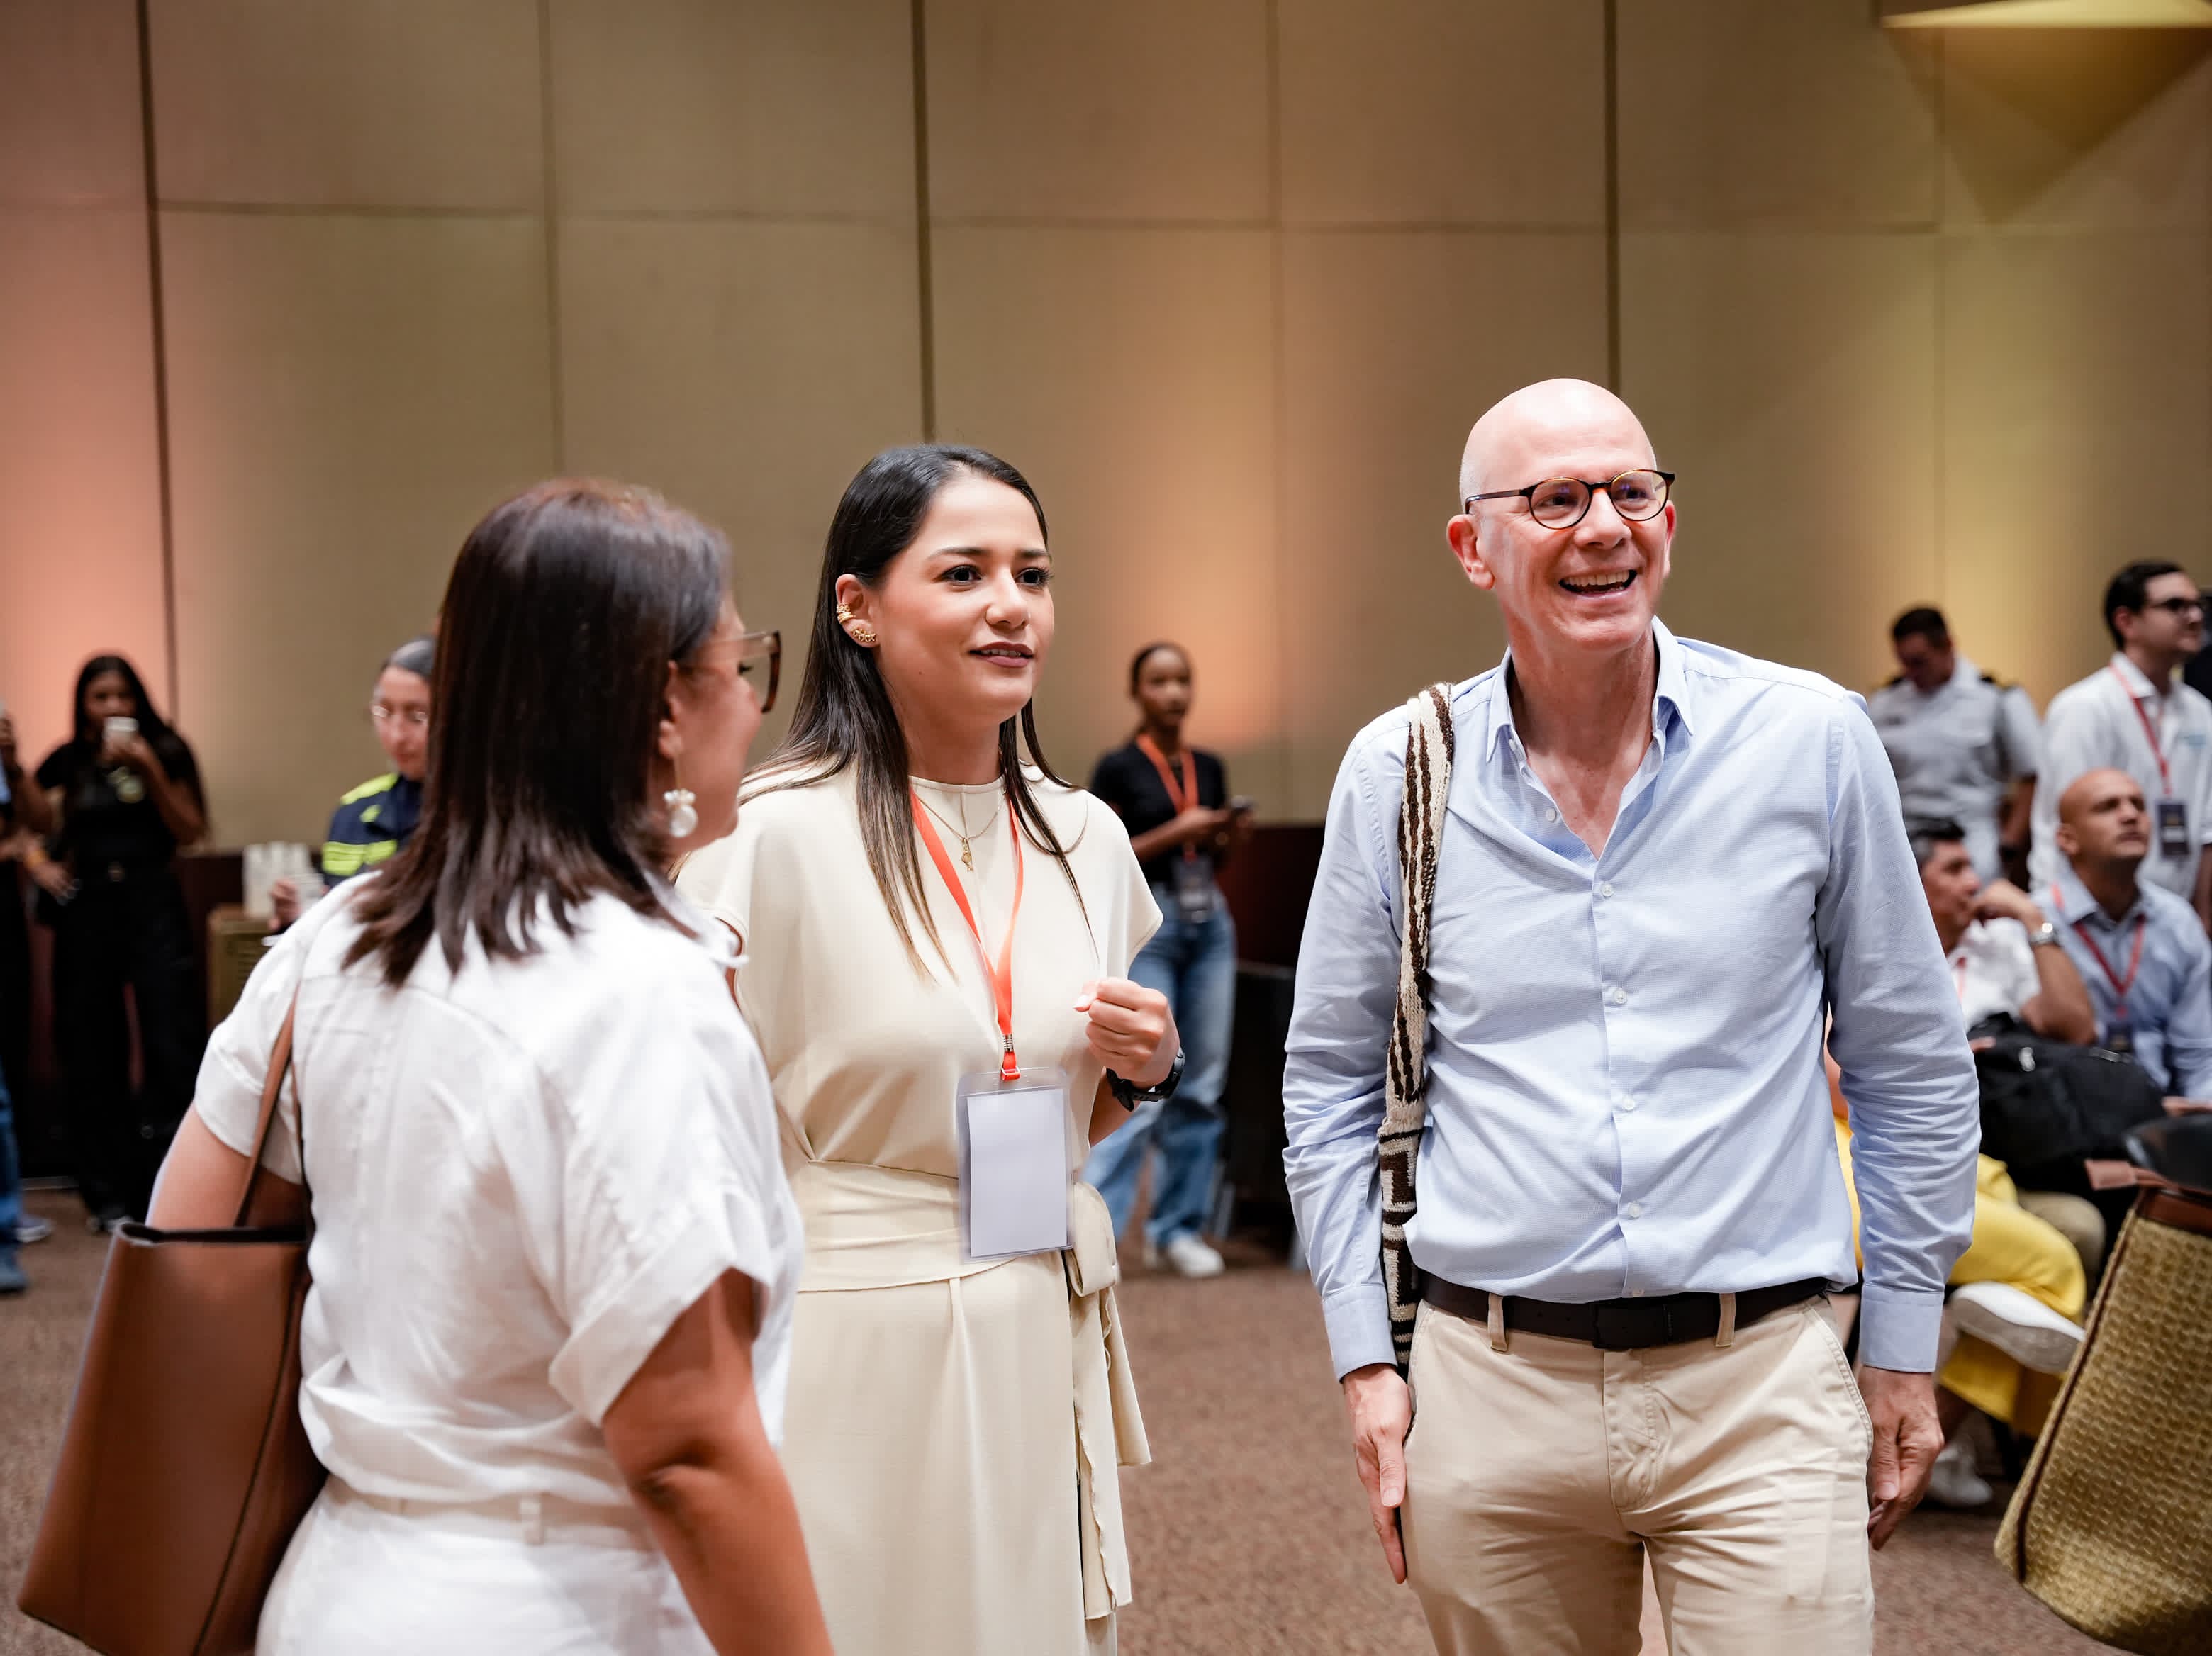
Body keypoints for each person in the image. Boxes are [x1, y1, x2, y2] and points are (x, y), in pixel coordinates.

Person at [1283, 379, 1979, 1655]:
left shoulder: (1812, 740)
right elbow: (1328, 1082)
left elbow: (1909, 1061)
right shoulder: (1400, 771)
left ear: (1671, 519)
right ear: (1472, 547)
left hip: (1758, 1375)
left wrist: (1904, 1339)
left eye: (1632, 492)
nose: (1603, 526)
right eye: (1554, 499)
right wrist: (1363, 1360)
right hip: (1489, 1385)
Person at [145, 480, 828, 1656]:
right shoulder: (640, 989)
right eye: (742, 662)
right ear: (665, 703)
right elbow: (688, 1451)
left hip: (337, 1581)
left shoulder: (339, 935)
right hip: (561, 1603)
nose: (758, 702)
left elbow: (188, 1234)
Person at [677, 444, 1175, 1656]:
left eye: (1033, 574)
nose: (1011, 605)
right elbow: (690, 1126)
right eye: (964, 573)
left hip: (1035, 1304)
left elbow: (1047, 1097)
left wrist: (1135, 1073)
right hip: (853, 1331)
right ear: (858, 606)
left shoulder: (1085, 836)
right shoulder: (771, 838)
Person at [1082, 641, 1251, 1278]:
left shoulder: (1208, 765)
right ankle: (1096, 1227)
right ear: (1137, 692)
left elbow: (1214, 856)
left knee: (1203, 1086)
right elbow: (1110, 856)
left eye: (1183, 680)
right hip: (1150, 921)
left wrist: (1226, 835)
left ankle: (1177, 1229)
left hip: (1210, 922)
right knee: (1138, 1079)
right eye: (1159, 681)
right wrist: (1178, 832)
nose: (1173, 693)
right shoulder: (1119, 767)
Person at [30, 656, 207, 1229]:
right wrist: (35, 862)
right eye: (99, 698)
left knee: (170, 1042)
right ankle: (105, 1191)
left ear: (141, 701)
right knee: (91, 1047)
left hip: (153, 904)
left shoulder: (168, 748)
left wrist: (149, 768)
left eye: (123, 697)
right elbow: (30, 817)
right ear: (83, 704)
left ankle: (167, 1183)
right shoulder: (71, 759)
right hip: (89, 912)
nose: (112, 709)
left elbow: (192, 830)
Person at [2031, 561, 2212, 927]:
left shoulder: (2200, 710)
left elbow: (2207, 830)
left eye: (2198, 606)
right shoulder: (2086, 707)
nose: (2194, 617)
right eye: (2176, 606)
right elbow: (2066, 828)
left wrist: (2202, 925)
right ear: (2127, 622)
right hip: (2091, 920)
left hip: (2174, 921)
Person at [269, 637, 433, 928]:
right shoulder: (353, 814)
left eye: (416, 716)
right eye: (384, 712)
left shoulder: (483, 815)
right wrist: (300, 919)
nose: (396, 735)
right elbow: (337, 925)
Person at [1868, 608, 2039, 883]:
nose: (1911, 672)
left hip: (1972, 839)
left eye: (1919, 661)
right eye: (1903, 662)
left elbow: (2032, 776)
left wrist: (2010, 843)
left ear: (1948, 646)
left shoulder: (1995, 697)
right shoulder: (1885, 702)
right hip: (1903, 839)